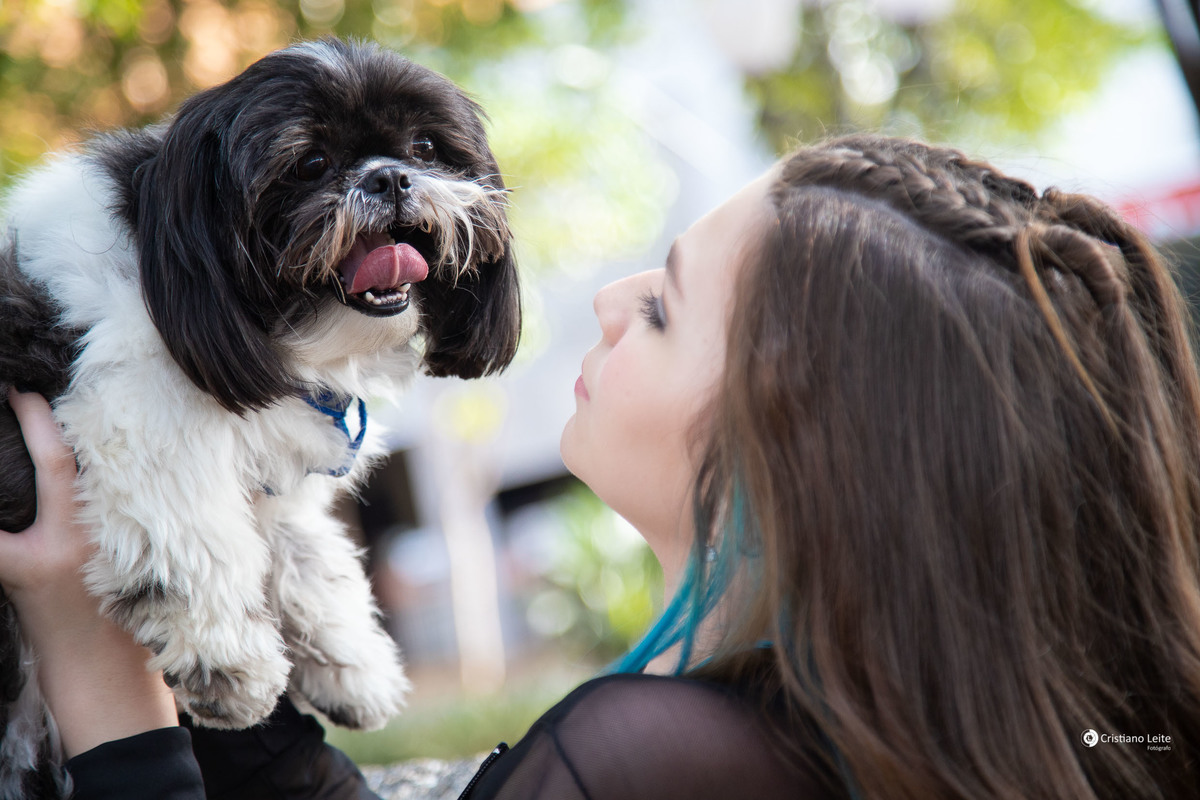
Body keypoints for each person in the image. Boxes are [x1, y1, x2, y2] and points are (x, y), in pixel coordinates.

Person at [2, 134, 1199, 799]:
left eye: (669, 309)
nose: (617, 298)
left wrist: (96, 672)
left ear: (793, 437)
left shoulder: (657, 755)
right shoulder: (789, 723)